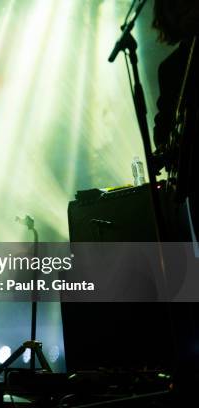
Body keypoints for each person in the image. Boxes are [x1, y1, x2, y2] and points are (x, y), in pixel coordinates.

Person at [152, 1, 199, 404]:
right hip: (192, 183)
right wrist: (165, 144)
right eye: (174, 8)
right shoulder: (170, 69)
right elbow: (162, 128)